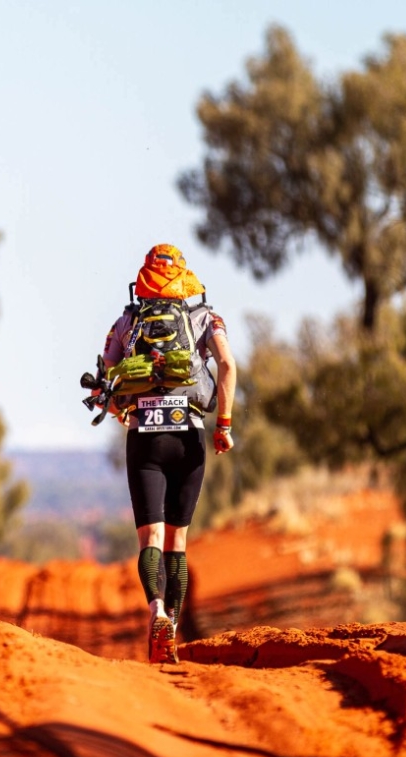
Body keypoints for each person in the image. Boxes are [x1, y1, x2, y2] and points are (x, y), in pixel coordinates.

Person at [95, 243, 236, 665]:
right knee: (178, 541)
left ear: (145, 278)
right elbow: (227, 365)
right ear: (183, 277)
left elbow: (105, 378)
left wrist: (122, 410)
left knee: (150, 538)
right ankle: (171, 624)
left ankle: (155, 608)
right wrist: (224, 424)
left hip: (146, 438)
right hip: (188, 435)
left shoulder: (127, 320)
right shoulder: (206, 318)